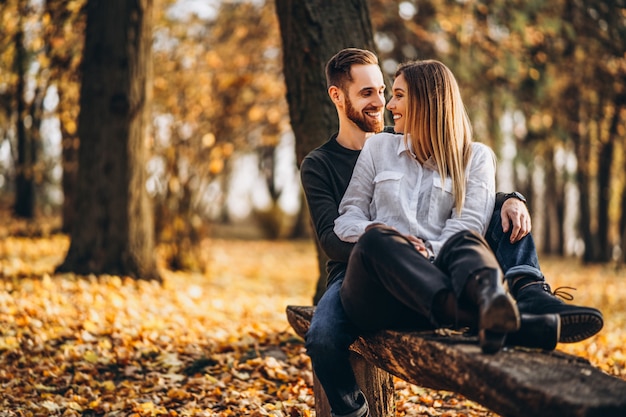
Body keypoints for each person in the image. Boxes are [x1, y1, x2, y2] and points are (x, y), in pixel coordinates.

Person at [300, 49, 602, 417]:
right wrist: (389, 244)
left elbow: (468, 215)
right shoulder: (339, 159)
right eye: (370, 94)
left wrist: (509, 198)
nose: (383, 103)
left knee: (487, 224)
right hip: (360, 273)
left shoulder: (442, 151)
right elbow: (334, 235)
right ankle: (355, 409)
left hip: (429, 277)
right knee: (323, 338)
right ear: (338, 96)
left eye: (388, 92)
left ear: (428, 102)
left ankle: (529, 293)